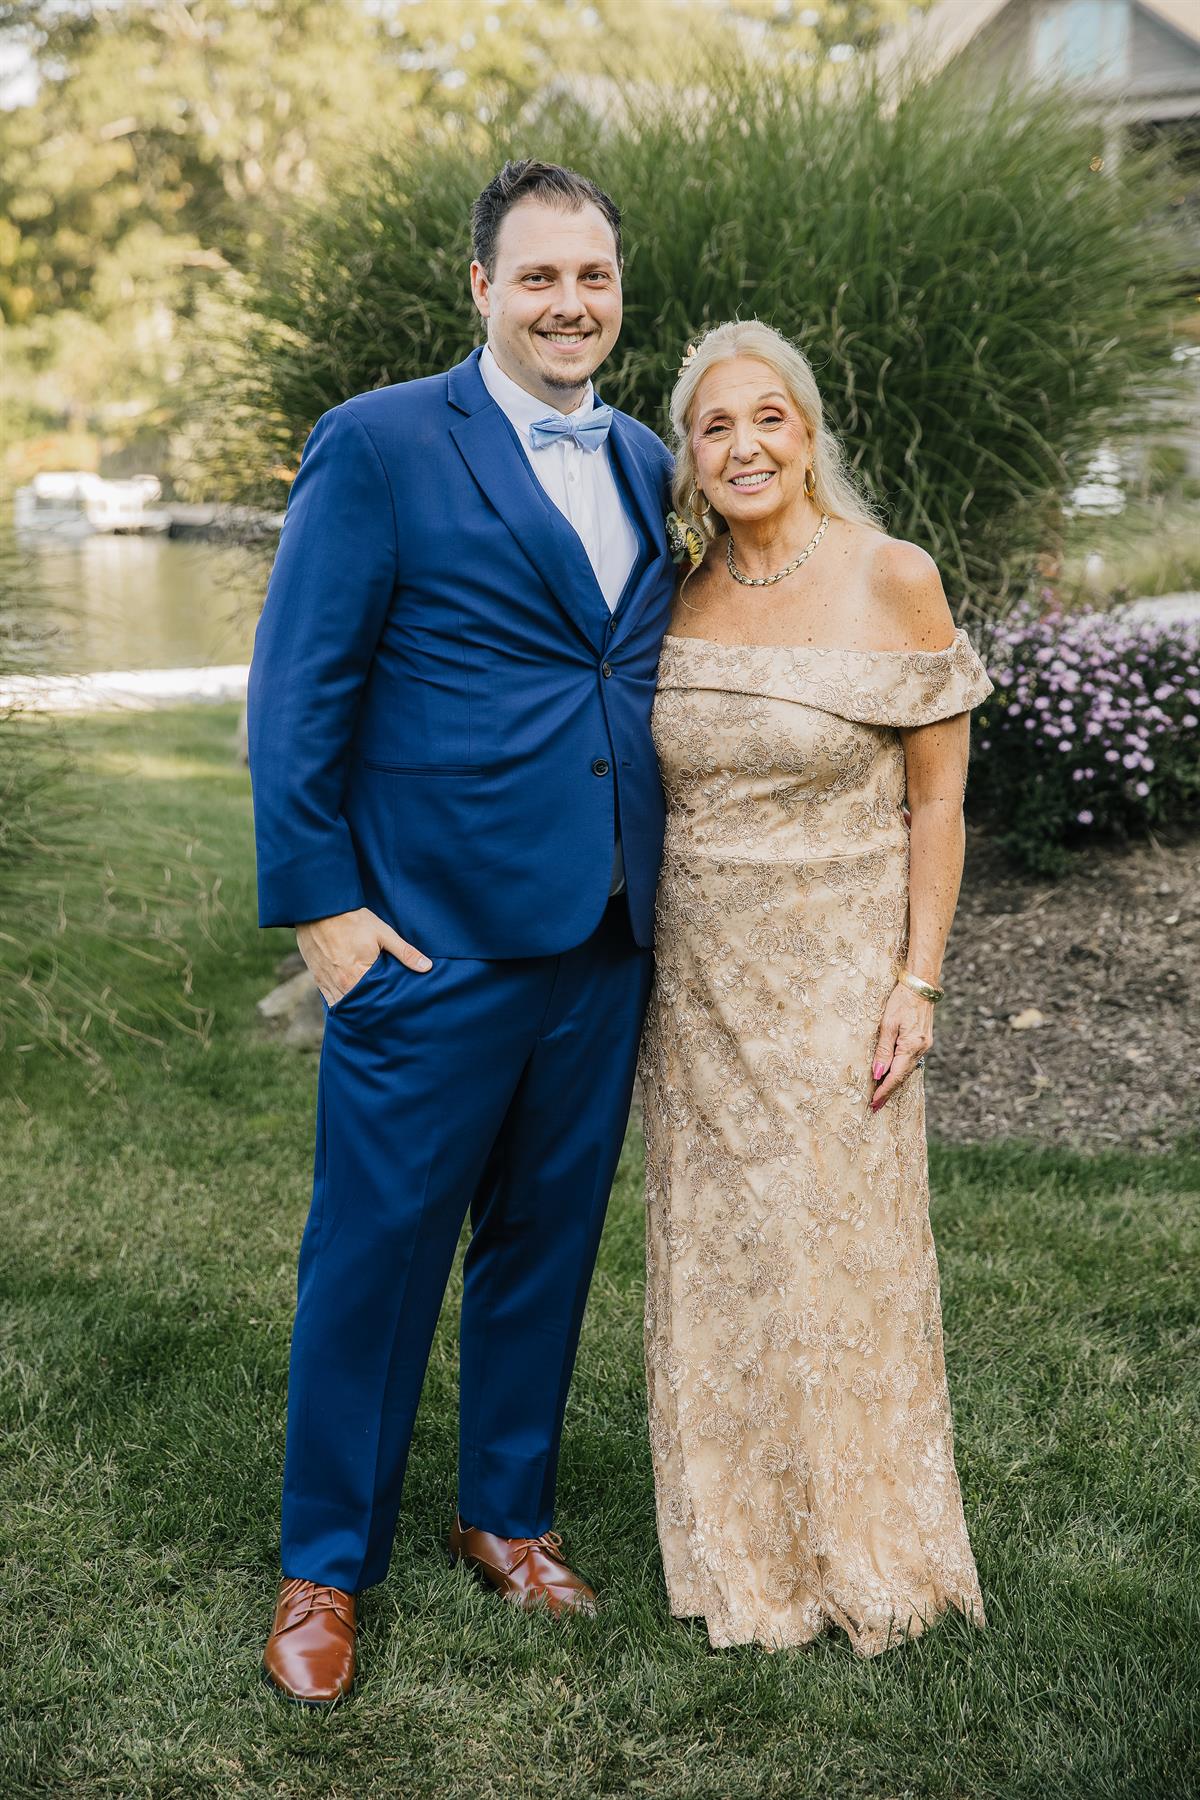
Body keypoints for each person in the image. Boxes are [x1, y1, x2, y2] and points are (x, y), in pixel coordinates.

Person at [246, 160, 675, 1704]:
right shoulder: (377, 444)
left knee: (546, 1245)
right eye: (540, 276)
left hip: (607, 931)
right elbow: (298, 685)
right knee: (376, 1257)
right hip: (430, 939)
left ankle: (506, 1514)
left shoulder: (648, 458)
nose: (570, 303)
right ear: (483, 288)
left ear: (618, 293)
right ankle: (324, 1565)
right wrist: (323, 910)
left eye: (593, 277)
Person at [640, 319, 990, 1656]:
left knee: (836, 1259)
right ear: (689, 455)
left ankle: (867, 1543)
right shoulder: (670, 593)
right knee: (719, 1260)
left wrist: (919, 979)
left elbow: (939, 800)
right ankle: (739, 1550)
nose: (744, 446)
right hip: (695, 988)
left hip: (842, 982)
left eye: (767, 418)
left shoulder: (892, 577)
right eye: (715, 426)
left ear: (808, 434)